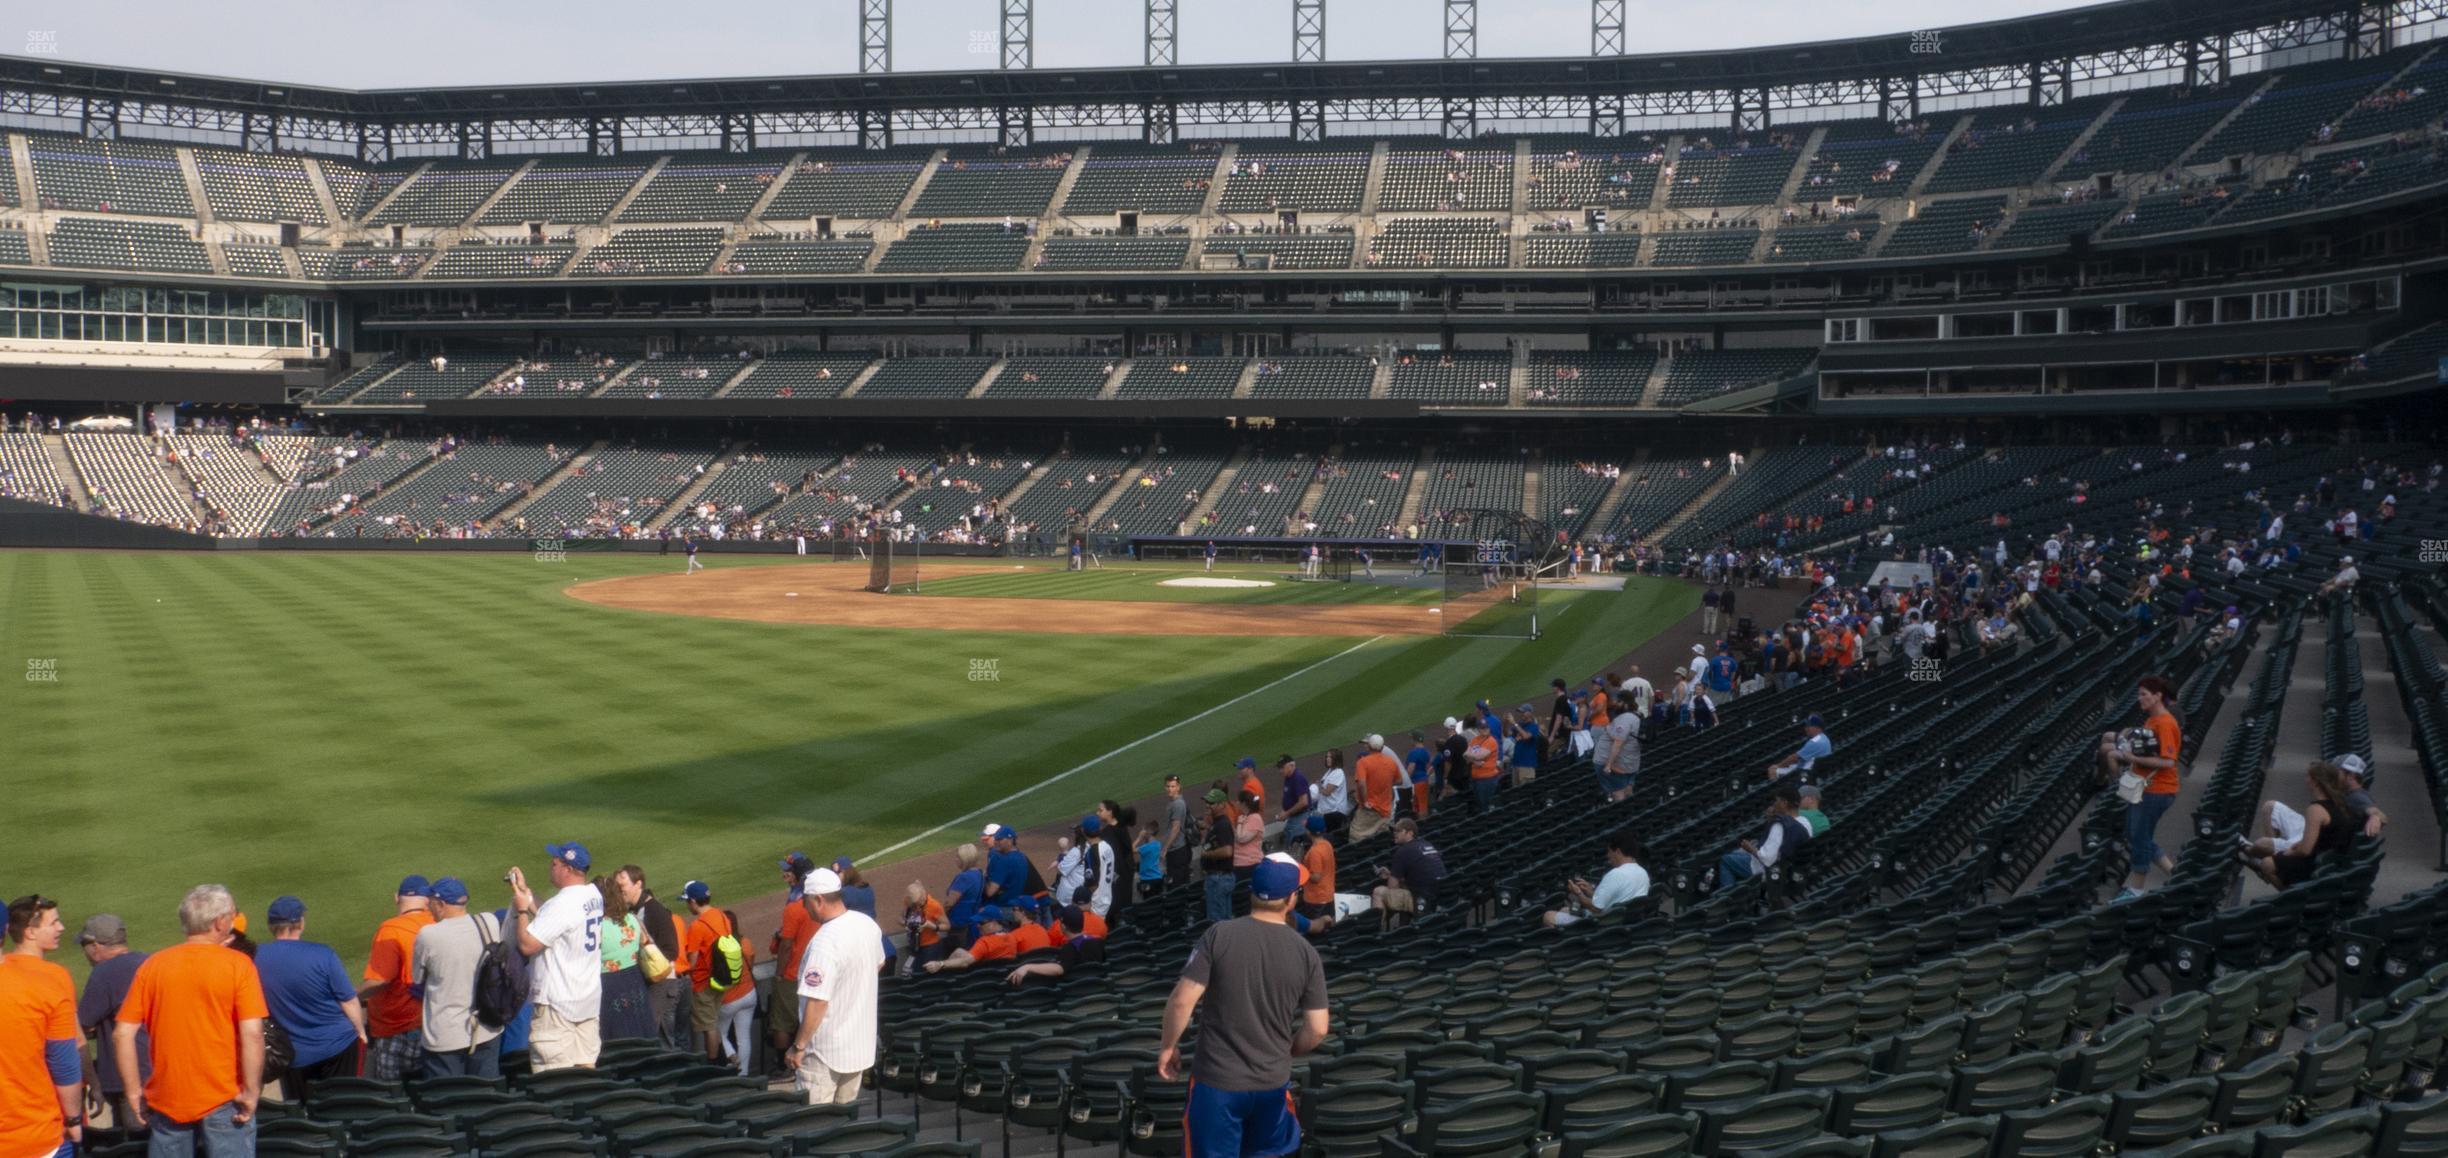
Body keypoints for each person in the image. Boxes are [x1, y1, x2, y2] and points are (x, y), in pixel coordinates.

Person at [1155, 859, 1329, 1158]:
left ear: (1251, 892)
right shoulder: (1306, 952)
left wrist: (1168, 1046)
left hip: (1217, 1083)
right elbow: (1318, 1029)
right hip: (1272, 1083)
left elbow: (1182, 1000)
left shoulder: (1219, 934)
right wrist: (1287, 1051)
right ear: (1291, 899)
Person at [115, 885, 268, 1157]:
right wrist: (252, 1090)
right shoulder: (238, 965)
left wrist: (133, 1091)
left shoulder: (153, 965)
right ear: (220, 922)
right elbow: (253, 1033)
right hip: (225, 1095)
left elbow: (122, 1034)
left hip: (167, 1096)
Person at [252, 896, 366, 1102]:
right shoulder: (323, 954)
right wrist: (360, 1031)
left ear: (271, 925)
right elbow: (348, 1001)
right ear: (300, 923)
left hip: (294, 1054)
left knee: (302, 1114)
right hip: (338, 1045)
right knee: (343, 1105)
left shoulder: (255, 958)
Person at [787, 868, 885, 1106]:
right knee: (843, 1127)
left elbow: (818, 1001)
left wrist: (798, 1046)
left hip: (824, 1053)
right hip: (859, 1046)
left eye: (806, 902)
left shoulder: (824, 942)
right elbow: (879, 963)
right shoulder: (866, 924)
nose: (804, 907)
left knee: (814, 1125)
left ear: (818, 900)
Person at [508, 842, 606, 1071]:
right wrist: (526, 893)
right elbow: (553, 919)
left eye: (555, 863)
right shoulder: (592, 894)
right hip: (587, 1002)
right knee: (586, 1071)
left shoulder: (563, 904)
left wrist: (522, 910)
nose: (551, 867)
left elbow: (527, 945)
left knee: (554, 1080)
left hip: (558, 1006)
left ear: (568, 869)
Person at [3, 895, 81, 1158]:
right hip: (35, 1136)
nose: (61, 928)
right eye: (54, 922)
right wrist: (73, 1119)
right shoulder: (50, 980)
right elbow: (63, 1061)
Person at [410, 878, 504, 1078]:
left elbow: (417, 977)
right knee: (486, 1098)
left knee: (448, 1101)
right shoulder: (488, 921)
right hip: (487, 1028)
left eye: (431, 903)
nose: (428, 907)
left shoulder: (428, 935)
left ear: (441, 905)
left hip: (445, 1036)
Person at [2100, 676, 2183, 900]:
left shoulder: (2165, 723)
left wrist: (2130, 756)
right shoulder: (2151, 721)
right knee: (2135, 834)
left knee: (2139, 838)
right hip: (2146, 788)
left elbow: (2168, 762)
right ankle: (2176, 876)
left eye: (2144, 694)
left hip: (2157, 790)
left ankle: (2136, 889)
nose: (2140, 699)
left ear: (2158, 696)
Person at [2242, 761, 2368, 889]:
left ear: (2315, 782)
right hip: (2328, 857)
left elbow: (2305, 851)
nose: (2306, 779)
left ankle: (2288, 895)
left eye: (2308, 776)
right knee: (2274, 856)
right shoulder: (2340, 801)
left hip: (2316, 863)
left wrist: (2286, 853)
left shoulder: (2316, 809)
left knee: (2267, 864)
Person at [76, 914, 148, 1133]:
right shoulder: (150, 961)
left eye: (85, 945)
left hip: (127, 1080)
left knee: (135, 1145)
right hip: (164, 1072)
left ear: (96, 946)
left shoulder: (103, 973)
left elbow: (80, 1025)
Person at [359, 875, 434, 1081]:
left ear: (396, 898)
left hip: (396, 1029)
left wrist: (353, 996)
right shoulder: (438, 923)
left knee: (393, 1095)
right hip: (433, 1025)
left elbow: (380, 979)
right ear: (427, 899)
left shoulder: (391, 929)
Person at [678, 881, 754, 1072]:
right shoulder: (722, 916)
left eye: (688, 901)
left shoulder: (697, 926)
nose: (687, 905)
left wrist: (682, 970)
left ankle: (714, 1065)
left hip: (704, 983)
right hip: (722, 979)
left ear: (694, 901)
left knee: (709, 1026)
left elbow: (693, 961)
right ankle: (728, 1063)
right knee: (717, 1024)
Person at [614, 866, 688, 1050]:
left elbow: (671, 950)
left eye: (622, 885)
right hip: (656, 984)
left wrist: (648, 961)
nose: (619, 890)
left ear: (638, 884)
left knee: (661, 1042)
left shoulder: (654, 910)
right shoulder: (638, 909)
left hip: (662, 985)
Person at [766, 853, 817, 1059]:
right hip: (814, 969)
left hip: (793, 972)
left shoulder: (796, 905)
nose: (784, 873)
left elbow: (787, 944)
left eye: (788, 870)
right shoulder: (821, 901)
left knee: (782, 1021)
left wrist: (779, 972)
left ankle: (782, 1066)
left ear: (798, 875)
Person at [593, 876, 655, 1043]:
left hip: (609, 984)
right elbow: (645, 942)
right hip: (635, 980)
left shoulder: (596, 926)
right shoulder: (632, 919)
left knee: (616, 1036)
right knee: (640, 1029)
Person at [1545, 831, 1651, 928]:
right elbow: (1617, 897)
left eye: (1609, 852)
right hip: (1626, 920)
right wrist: (1591, 892)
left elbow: (1595, 908)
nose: (1608, 856)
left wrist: (1578, 893)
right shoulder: (1642, 872)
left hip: (1603, 923)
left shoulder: (1616, 874)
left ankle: (1572, 945)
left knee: (1548, 916)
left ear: (1618, 852)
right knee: (1565, 910)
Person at [1716, 784, 1809, 890]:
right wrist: (1770, 820)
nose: (1774, 804)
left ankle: (1728, 899)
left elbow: (1767, 859)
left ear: (1784, 803)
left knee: (1725, 859)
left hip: (1768, 872)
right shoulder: (1805, 823)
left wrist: (1750, 849)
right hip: (1789, 870)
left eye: (1777, 801)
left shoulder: (1780, 825)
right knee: (1734, 854)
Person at [1370, 819, 1446, 929]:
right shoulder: (1426, 844)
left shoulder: (1403, 851)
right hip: (1439, 896)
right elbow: (1421, 875)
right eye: (1394, 831)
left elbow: (1392, 888)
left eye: (1398, 831)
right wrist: (1392, 874)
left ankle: (1375, 931)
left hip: (1422, 901)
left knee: (1379, 892)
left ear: (1410, 833)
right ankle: (1402, 929)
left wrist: (1391, 878)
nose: (1394, 833)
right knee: (1405, 889)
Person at [1197, 787, 1237, 923]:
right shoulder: (1218, 823)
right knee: (1225, 920)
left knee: (1217, 921)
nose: (1208, 805)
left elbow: (1227, 851)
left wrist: (1206, 854)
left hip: (1219, 879)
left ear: (1222, 805)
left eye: (1212, 803)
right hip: (1220, 877)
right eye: (1207, 802)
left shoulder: (1223, 824)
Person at [1350, 736, 1400, 841]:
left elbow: (1362, 784)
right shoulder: (1391, 761)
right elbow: (1399, 781)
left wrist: (1364, 802)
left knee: (1356, 836)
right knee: (1381, 838)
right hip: (1385, 809)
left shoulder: (1363, 762)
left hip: (1369, 809)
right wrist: (1384, 782)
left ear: (1369, 746)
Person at [1599, 694, 1642, 802]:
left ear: (1626, 704)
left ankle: (1621, 815)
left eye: (1619, 702)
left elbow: (1618, 742)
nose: (1616, 704)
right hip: (1634, 758)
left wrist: (1609, 764)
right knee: (1628, 788)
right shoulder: (1639, 715)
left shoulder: (1624, 719)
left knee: (1617, 792)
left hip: (1622, 760)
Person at [1296, 815, 1337, 924]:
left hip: (1316, 898)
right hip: (1327, 894)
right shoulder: (1327, 844)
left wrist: (1301, 869)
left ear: (1309, 832)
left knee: (1317, 930)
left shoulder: (1315, 852)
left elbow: (1316, 877)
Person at [900, 882, 949, 973]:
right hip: (914, 945)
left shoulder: (934, 905)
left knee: (924, 975)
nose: (917, 907)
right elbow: (901, 918)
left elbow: (947, 926)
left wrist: (932, 926)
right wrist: (905, 924)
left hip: (930, 947)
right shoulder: (908, 901)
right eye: (914, 905)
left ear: (923, 896)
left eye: (919, 903)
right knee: (911, 973)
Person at [945, 845, 987, 947]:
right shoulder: (979, 874)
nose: (956, 859)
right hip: (972, 920)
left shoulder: (963, 877)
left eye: (958, 857)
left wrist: (940, 916)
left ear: (965, 859)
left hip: (958, 922)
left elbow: (949, 903)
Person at [1768, 715, 1832, 780]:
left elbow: (1794, 758)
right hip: (1815, 771)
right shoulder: (1825, 738)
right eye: (1806, 726)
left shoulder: (1814, 742)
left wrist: (1779, 765)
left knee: (1772, 770)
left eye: (1809, 726)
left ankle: (1778, 789)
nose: (1806, 728)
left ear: (1817, 727)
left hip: (1804, 773)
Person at [1464, 722, 1503, 812]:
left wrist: (1472, 757)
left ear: (1489, 729)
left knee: (1487, 806)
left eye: (1486, 728)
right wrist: (1474, 760)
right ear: (1478, 729)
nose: (1485, 730)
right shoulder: (1475, 740)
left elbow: (1480, 756)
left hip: (1488, 779)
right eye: (1482, 728)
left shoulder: (1491, 741)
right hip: (1476, 779)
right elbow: (1465, 755)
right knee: (1480, 805)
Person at [1162, 776, 1193, 885]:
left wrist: (1165, 849)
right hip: (1177, 849)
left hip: (1177, 850)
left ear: (1178, 787)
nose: (1170, 789)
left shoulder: (1177, 804)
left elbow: (1175, 828)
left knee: (1177, 885)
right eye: (1168, 786)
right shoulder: (1174, 802)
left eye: (1173, 786)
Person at [1135, 825, 1167, 902]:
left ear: (1148, 833)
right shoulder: (1158, 844)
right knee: (1158, 901)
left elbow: (1131, 848)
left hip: (1148, 880)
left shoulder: (1146, 847)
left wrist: (1139, 837)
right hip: (1158, 877)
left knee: (1149, 903)